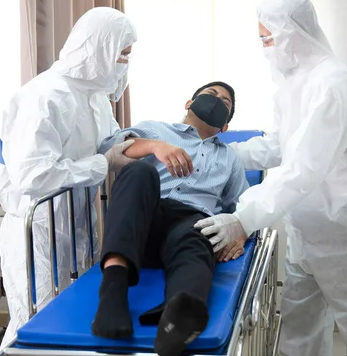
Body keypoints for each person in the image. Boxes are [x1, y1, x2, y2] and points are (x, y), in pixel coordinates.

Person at [195, 0, 347, 356]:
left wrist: (242, 218)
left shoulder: (336, 83)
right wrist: (226, 155)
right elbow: (279, 146)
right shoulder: (291, 86)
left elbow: (303, 166)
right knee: (300, 329)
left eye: (268, 39)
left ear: (292, 33)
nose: (265, 48)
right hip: (307, 227)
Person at [0, 7, 137, 348]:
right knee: (34, 331)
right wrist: (103, 163)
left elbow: (111, 141)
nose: (125, 65)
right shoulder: (44, 97)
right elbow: (34, 174)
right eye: (123, 55)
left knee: (70, 330)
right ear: (99, 48)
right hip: (38, 235)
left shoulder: (93, 97)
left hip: (74, 230)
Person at [92, 82, 248, 356]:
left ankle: (180, 314)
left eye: (225, 103)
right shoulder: (155, 130)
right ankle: (113, 293)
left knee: (201, 233)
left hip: (191, 221)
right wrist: (154, 147)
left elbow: (243, 206)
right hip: (144, 217)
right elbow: (108, 150)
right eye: (211, 95)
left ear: (225, 126)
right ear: (189, 103)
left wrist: (242, 232)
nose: (217, 101)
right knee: (140, 173)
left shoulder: (230, 159)